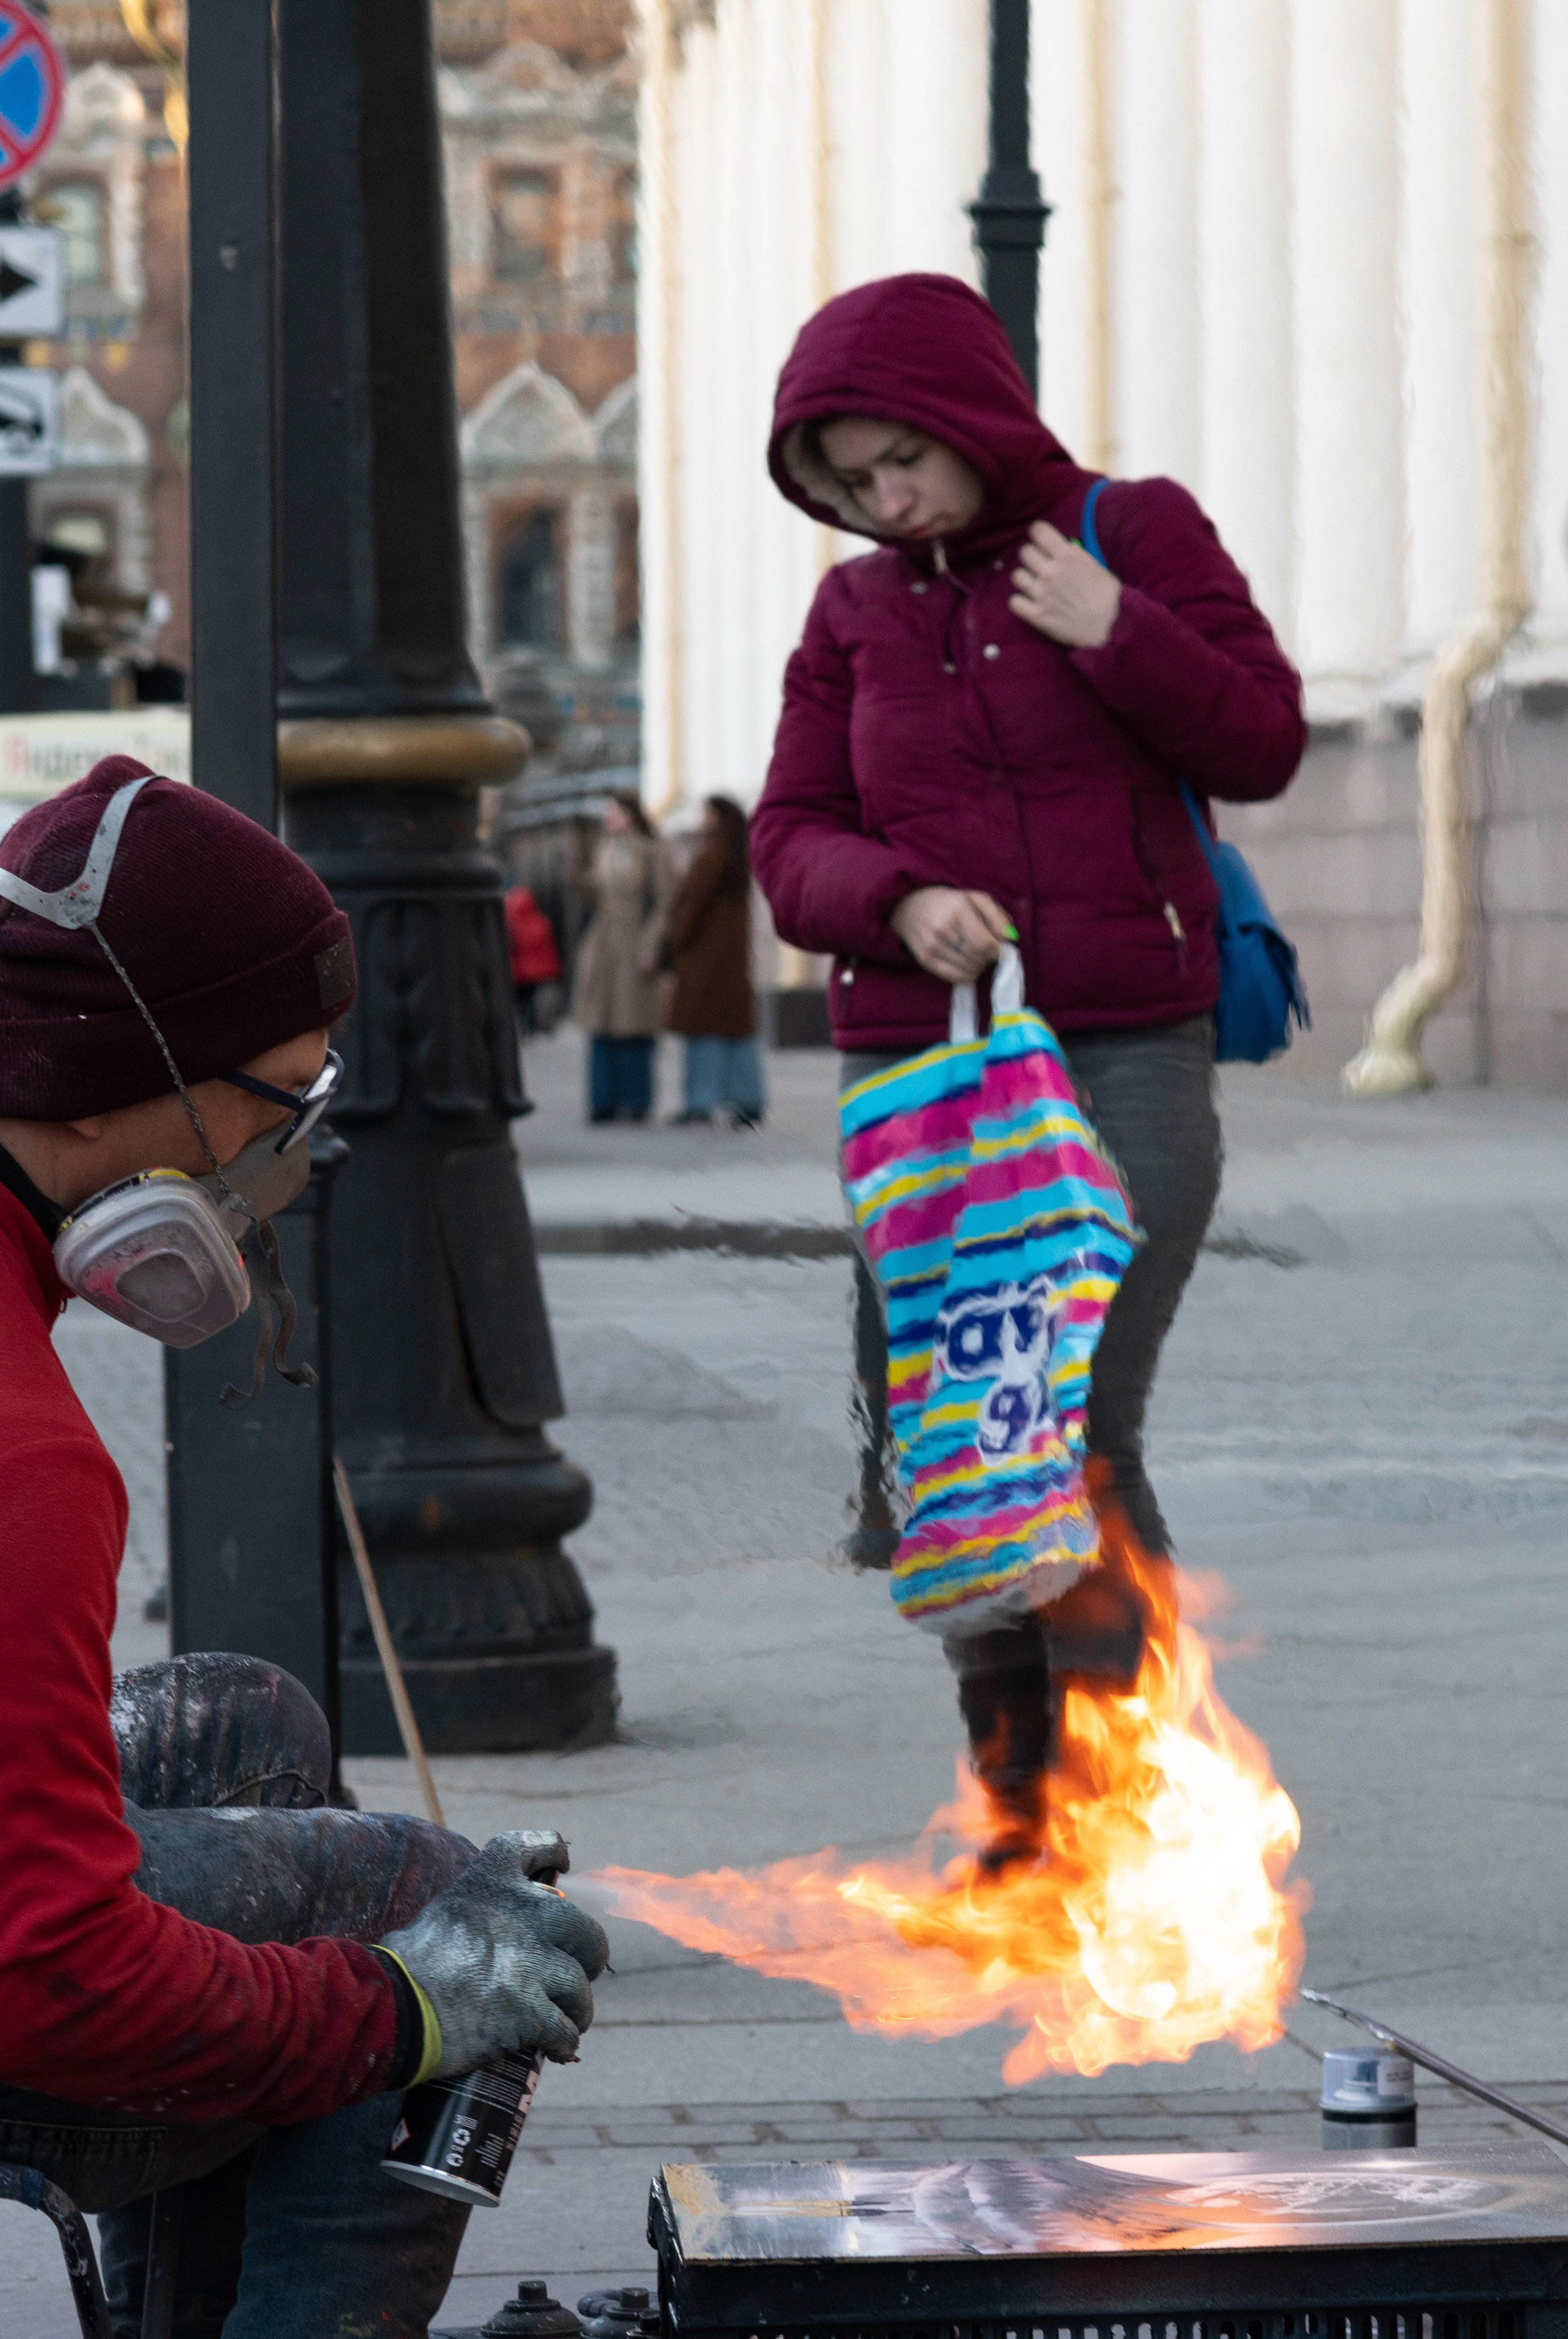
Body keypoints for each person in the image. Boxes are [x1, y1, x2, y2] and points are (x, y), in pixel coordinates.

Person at [0, 756, 609, 2339]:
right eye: (282, 1103)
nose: (281, 1161)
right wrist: (404, 2004)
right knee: (421, 1900)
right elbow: (34, 1982)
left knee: (244, 1725)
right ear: (139, 1076)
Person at [750, 272, 1304, 1846]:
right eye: (846, 482)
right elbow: (788, 837)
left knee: (1066, 1417)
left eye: (897, 461)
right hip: (921, 1070)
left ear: (965, 416)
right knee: (954, 1434)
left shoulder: (1129, 533)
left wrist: (1116, 631)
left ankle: (1112, 1798)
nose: (880, 500)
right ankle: (1013, 1795)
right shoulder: (850, 611)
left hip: (1121, 1047)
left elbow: (1259, 738)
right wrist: (898, 897)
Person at [662, 795, 764, 1128]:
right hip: (731, 963)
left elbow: (691, 908)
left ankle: (700, 1102)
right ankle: (748, 1099)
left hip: (704, 960)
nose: (701, 820)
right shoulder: (737, 858)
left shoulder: (710, 859)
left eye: (706, 814)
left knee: (702, 1032)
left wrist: (674, 943)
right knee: (736, 1031)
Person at [571, 792, 672, 1122]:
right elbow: (591, 893)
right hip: (603, 943)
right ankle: (603, 1102)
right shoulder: (604, 848)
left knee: (634, 1023)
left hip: (633, 941)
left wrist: (651, 945)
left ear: (630, 815)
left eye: (612, 812)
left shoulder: (651, 852)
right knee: (601, 1023)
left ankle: (637, 1101)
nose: (606, 819)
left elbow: (663, 903)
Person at [506, 879, 564, 1035]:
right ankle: (535, 1025)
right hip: (540, 973)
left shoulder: (512, 927)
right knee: (534, 1001)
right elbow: (550, 948)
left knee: (522, 1002)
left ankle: (527, 1026)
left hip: (520, 974)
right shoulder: (542, 922)